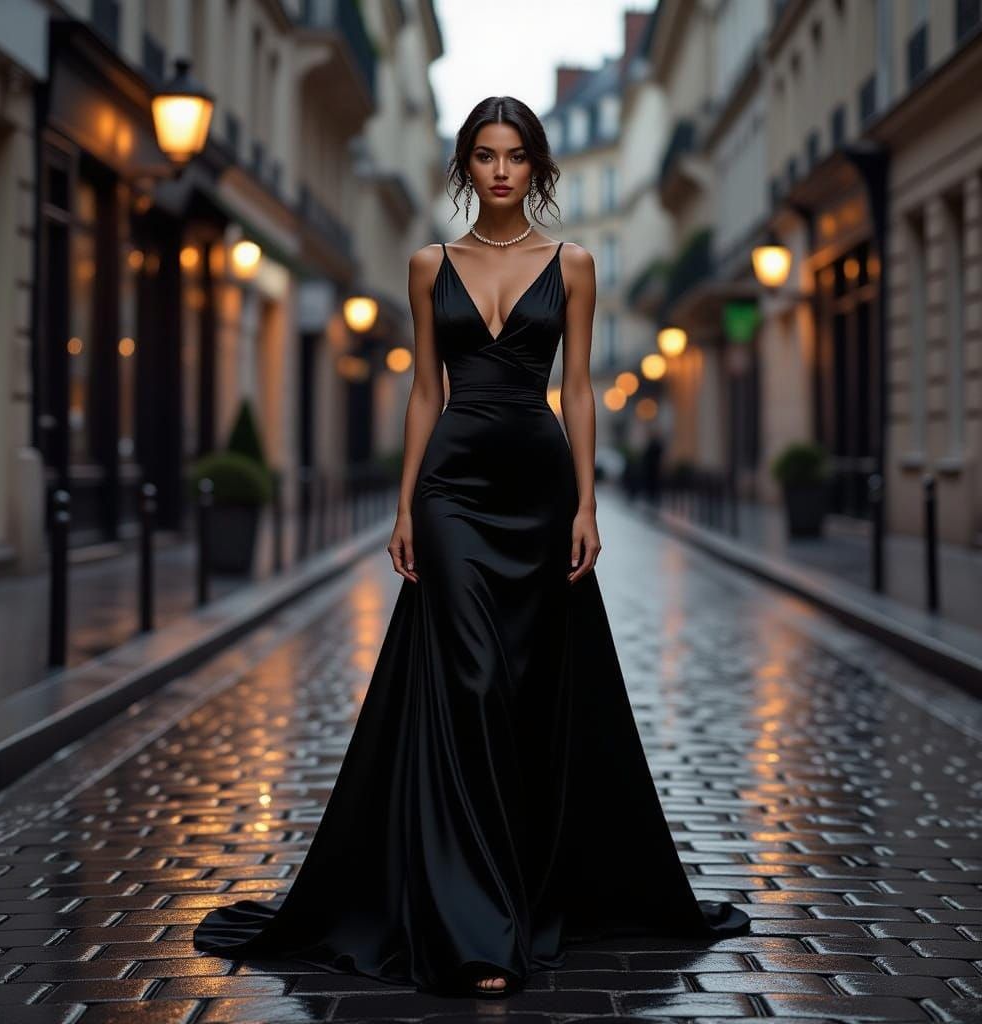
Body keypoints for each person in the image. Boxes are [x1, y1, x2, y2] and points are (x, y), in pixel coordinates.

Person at [193, 96, 750, 1000]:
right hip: (453, 490)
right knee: (472, 679)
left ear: (537, 168)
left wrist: (588, 506)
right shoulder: (426, 266)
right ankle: (475, 921)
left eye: (516, 155)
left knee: (527, 690)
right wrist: (408, 504)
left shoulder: (574, 265)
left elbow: (578, 391)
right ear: (464, 167)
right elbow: (422, 390)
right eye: (485, 155)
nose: (500, 170)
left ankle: (523, 885)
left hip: (539, 491)